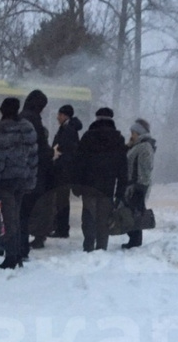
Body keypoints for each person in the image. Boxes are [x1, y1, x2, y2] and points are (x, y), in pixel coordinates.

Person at [0, 97, 37, 269]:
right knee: (17, 217)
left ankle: (12, 257)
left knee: (9, 221)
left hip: (6, 182)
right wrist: (30, 180)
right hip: (22, 180)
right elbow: (33, 158)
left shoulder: (1, 129)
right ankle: (18, 254)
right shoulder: (27, 128)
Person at [74, 107, 127, 252]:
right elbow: (123, 168)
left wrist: (76, 185)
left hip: (88, 185)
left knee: (89, 216)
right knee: (103, 218)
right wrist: (120, 191)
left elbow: (79, 162)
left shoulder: (87, 137)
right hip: (108, 187)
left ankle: (88, 245)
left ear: (97, 119)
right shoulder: (118, 139)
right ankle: (102, 246)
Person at [19, 90, 55, 255]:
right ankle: (25, 244)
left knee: (21, 210)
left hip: (24, 171)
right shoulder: (33, 119)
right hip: (35, 172)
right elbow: (39, 147)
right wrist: (51, 154)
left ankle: (20, 243)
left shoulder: (23, 117)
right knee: (32, 208)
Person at [123, 118, 156, 249]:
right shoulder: (138, 145)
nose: (131, 135)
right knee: (131, 211)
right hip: (133, 184)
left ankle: (135, 242)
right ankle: (133, 240)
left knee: (135, 212)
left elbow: (145, 168)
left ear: (139, 133)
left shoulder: (144, 147)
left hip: (138, 185)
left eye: (133, 133)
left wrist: (140, 187)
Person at [49, 104, 82, 238]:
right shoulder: (68, 128)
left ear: (65, 116)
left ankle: (62, 229)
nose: (57, 117)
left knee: (62, 200)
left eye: (59, 114)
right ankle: (61, 227)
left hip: (63, 171)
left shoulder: (68, 130)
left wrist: (56, 155)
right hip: (64, 170)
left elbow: (63, 148)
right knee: (61, 200)